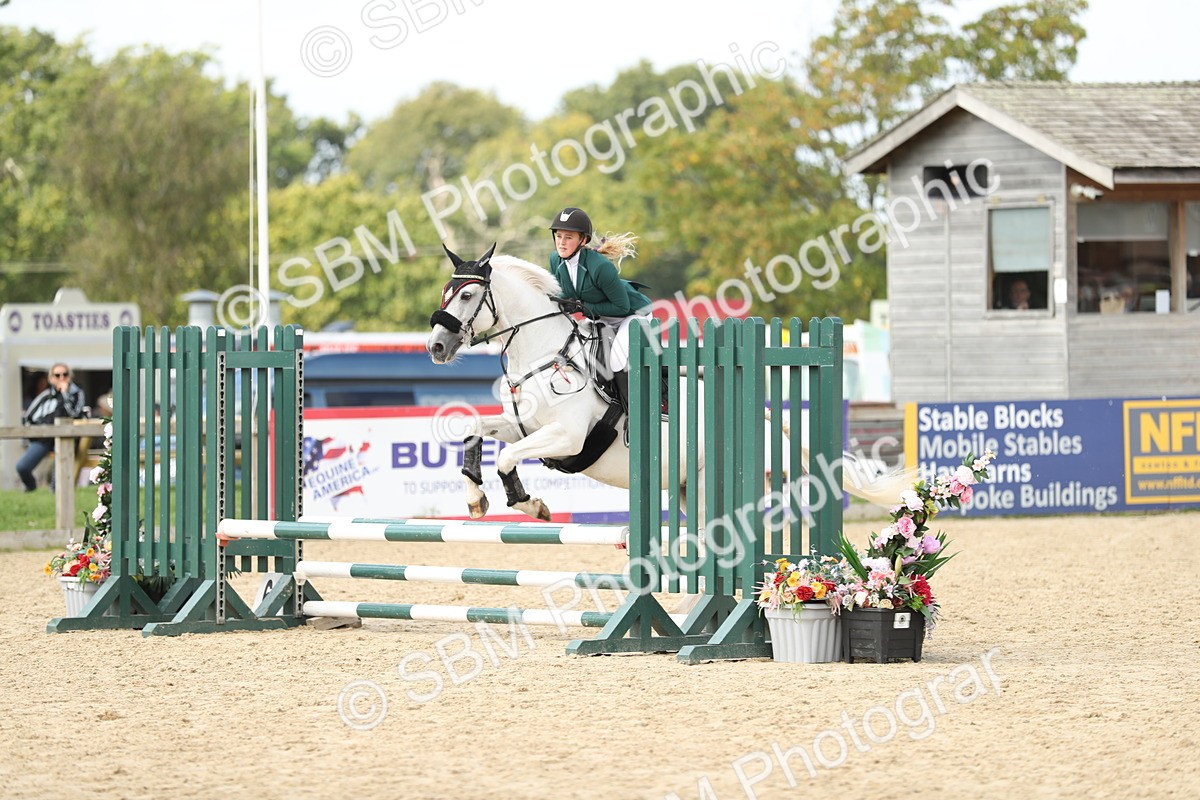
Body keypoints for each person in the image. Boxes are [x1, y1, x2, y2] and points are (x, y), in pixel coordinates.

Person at [547, 207, 654, 410]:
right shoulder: (555, 260)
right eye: (558, 236)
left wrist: (583, 308)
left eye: (568, 237)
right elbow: (564, 294)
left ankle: (633, 413)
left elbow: (621, 307)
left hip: (632, 316)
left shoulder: (600, 267)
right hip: (600, 316)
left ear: (583, 240)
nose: (561, 242)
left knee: (616, 361)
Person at [17, 362, 88, 491]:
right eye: (57, 375)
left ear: (70, 377)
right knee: (22, 467)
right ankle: (30, 488)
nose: (62, 378)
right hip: (44, 437)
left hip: (67, 437)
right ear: (51, 379)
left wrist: (65, 394)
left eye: (65, 374)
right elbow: (29, 417)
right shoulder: (45, 396)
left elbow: (74, 413)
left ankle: (54, 493)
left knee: (58, 475)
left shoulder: (77, 393)